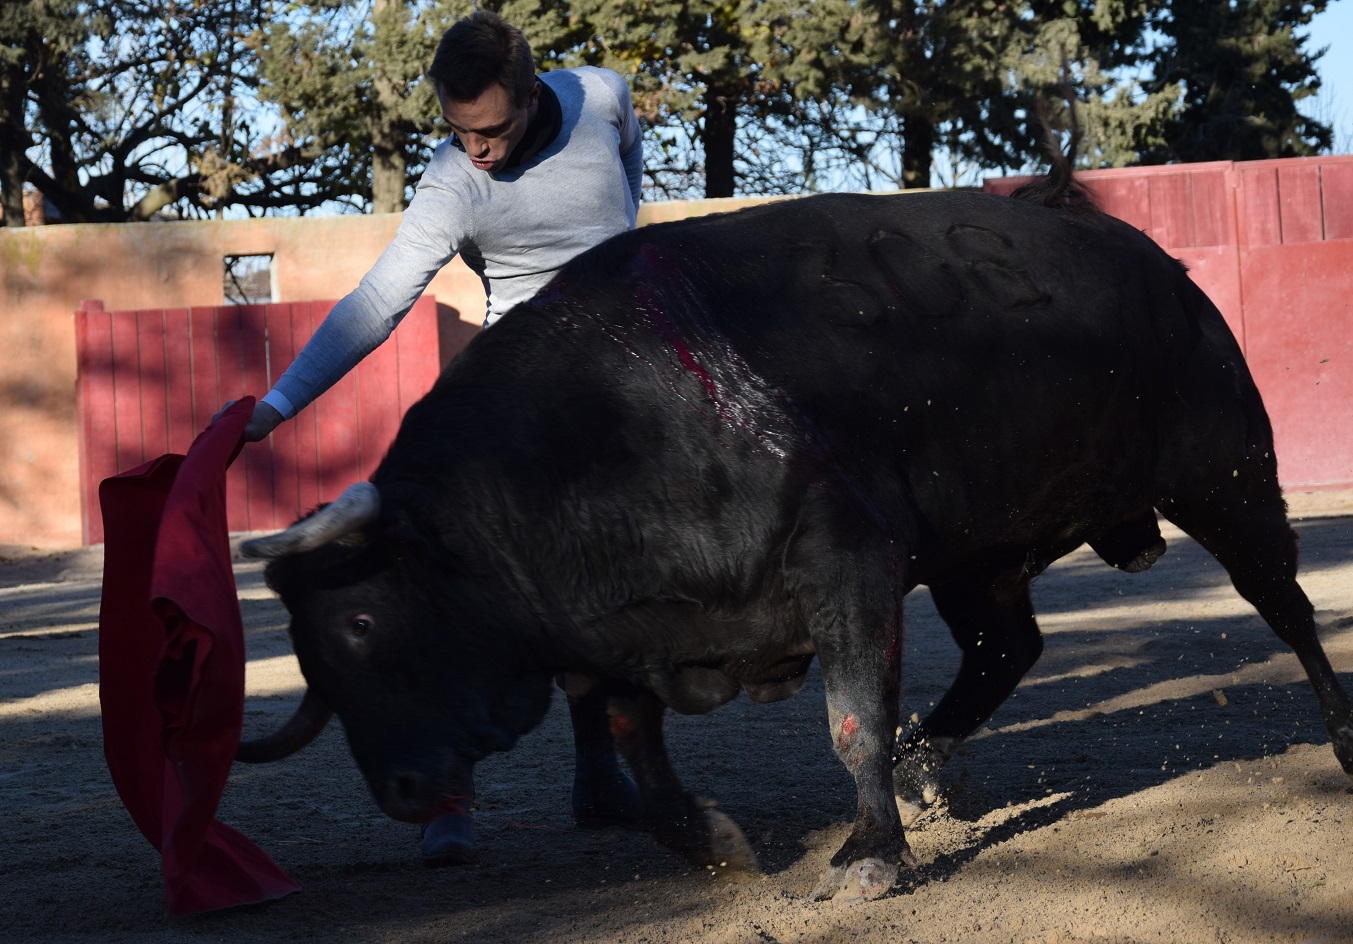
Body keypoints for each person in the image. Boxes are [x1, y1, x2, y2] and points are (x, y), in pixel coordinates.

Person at [226, 10, 645, 866]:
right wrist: (273, 407)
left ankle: (600, 767)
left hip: (623, 384)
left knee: (608, 592)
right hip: (512, 395)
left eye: (490, 132)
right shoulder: (452, 183)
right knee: (456, 598)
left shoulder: (601, 96)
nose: (477, 151)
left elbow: (628, 170)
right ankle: (451, 796)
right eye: (460, 133)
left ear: (532, 94)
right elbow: (375, 303)